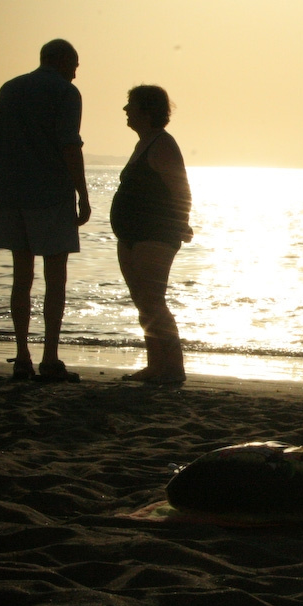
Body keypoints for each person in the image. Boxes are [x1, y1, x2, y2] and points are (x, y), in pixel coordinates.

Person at [0, 39, 90, 382]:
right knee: (55, 280)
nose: (75, 74)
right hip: (52, 195)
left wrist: (1, 192)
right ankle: (50, 358)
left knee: (21, 279)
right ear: (63, 61)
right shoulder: (66, 93)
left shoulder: (10, 89)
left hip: (12, 195)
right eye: (74, 66)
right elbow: (69, 144)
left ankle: (22, 357)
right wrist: (83, 193)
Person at [110, 85, 193, 383]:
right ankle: (155, 365)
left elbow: (181, 189)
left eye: (130, 105)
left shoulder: (162, 144)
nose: (125, 110)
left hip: (155, 234)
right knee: (143, 302)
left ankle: (172, 367)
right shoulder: (144, 143)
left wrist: (181, 222)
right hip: (132, 235)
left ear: (146, 110)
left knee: (153, 300)